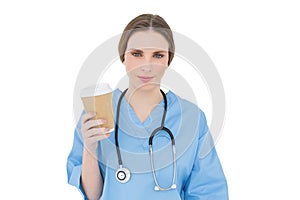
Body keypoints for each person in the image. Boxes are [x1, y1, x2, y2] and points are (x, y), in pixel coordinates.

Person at [67, 14, 228, 200]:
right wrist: (89, 147)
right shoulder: (97, 113)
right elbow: (92, 196)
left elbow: (208, 192)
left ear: (168, 60)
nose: (146, 66)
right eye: (137, 54)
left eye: (158, 55)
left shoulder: (192, 118)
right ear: (123, 57)